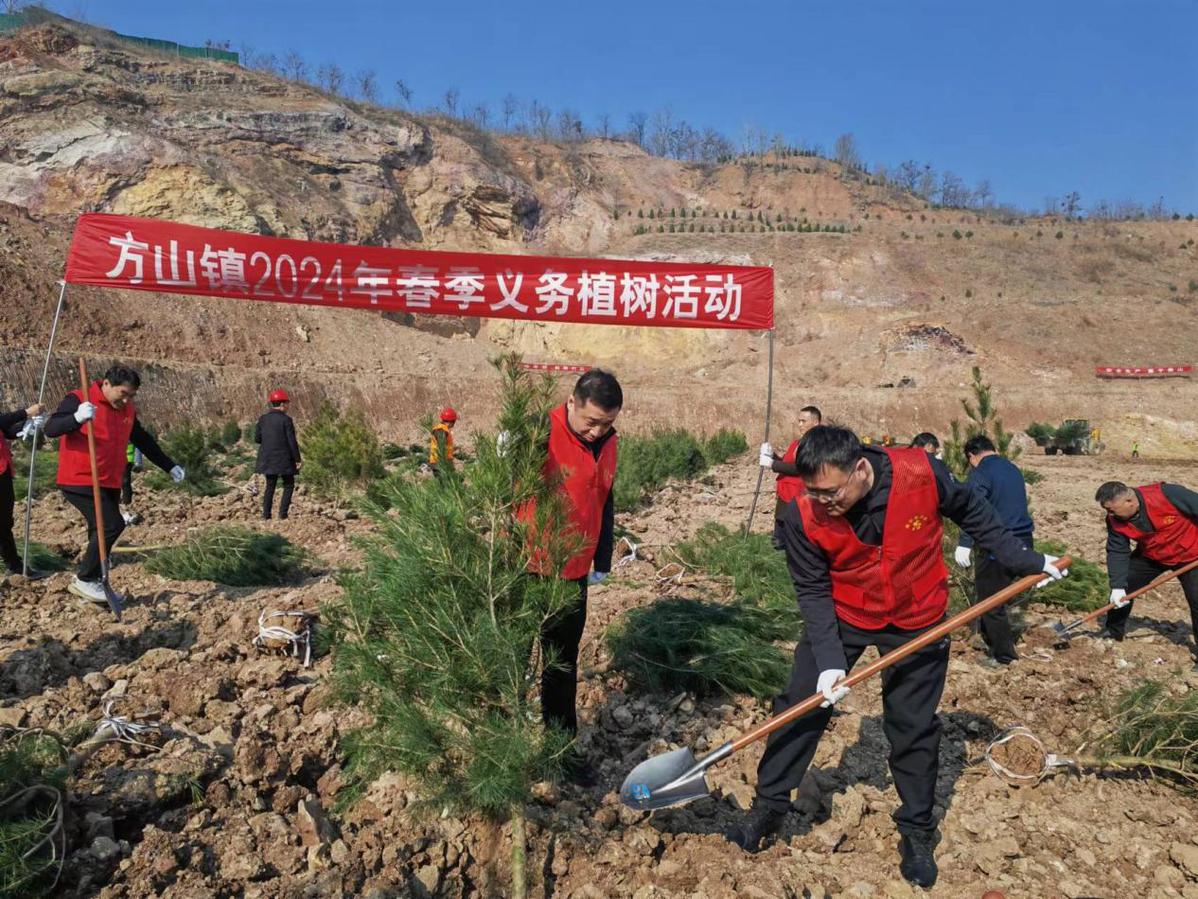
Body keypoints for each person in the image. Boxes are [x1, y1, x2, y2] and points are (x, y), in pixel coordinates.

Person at [725, 426, 1065, 888]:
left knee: (913, 725)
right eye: (813, 492)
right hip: (846, 613)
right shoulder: (802, 514)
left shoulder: (920, 472)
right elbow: (812, 589)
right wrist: (829, 660)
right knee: (800, 706)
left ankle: (917, 829)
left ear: (860, 469)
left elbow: (972, 511)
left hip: (918, 613)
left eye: (830, 492)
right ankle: (769, 806)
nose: (823, 502)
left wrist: (1021, 558)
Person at [522, 369, 621, 780]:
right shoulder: (537, 431)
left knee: (561, 668)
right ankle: (502, 753)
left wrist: (602, 560)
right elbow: (501, 487)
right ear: (572, 402)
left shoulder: (610, 442)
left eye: (607, 423)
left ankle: (560, 750)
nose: (597, 431)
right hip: (525, 568)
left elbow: (604, 497)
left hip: (573, 573)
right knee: (509, 661)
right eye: (591, 421)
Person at [43, 365, 183, 605]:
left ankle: (94, 582)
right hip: (80, 478)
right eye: (123, 393)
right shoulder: (79, 399)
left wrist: (169, 465)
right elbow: (51, 428)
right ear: (106, 384)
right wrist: (76, 418)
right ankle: (85, 578)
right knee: (112, 524)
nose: (127, 399)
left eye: (131, 395)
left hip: (109, 480)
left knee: (98, 529)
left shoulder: (127, 409)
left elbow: (142, 439)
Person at [953, 435, 1035, 665]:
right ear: (994, 449)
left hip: (998, 544)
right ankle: (992, 639)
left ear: (971, 456)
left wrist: (964, 543)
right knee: (1004, 597)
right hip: (1024, 540)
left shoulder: (980, 474)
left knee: (990, 602)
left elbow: (972, 508)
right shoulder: (1012, 468)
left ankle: (1004, 656)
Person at [1096, 480, 1198, 657]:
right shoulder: (1114, 520)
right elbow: (1117, 551)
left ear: (1130, 501)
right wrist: (1118, 586)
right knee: (1125, 584)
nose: (1109, 514)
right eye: (1106, 510)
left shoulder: (1168, 494)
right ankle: (1113, 633)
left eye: (1112, 509)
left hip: (1191, 554)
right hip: (1153, 555)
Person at [0, 399, 47, 579]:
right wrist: (26, 413)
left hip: (3, 470)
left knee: (4, 523)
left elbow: (7, 431)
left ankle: (15, 566)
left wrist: (27, 425)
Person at [759, 405, 821, 538]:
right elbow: (787, 463)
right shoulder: (797, 443)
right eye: (799, 421)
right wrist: (772, 456)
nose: (800, 425)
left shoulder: (815, 445)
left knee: (793, 536)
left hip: (799, 497)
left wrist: (772, 464)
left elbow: (800, 468)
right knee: (779, 536)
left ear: (815, 423)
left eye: (803, 421)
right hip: (785, 495)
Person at [255, 389, 301, 520]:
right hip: (284, 459)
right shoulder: (286, 420)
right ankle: (283, 514)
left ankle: (266, 515)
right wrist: (297, 459)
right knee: (289, 484)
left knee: (270, 486)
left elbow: (257, 439)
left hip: (268, 458)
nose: (288, 406)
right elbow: (292, 441)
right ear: (282, 404)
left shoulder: (263, 419)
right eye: (287, 403)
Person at [428, 407, 458, 477]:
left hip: (441, 462)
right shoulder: (441, 430)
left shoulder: (443, 429)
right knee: (445, 484)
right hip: (440, 463)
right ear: (452, 421)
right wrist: (445, 464)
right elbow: (441, 448)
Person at [120, 442, 143, 526]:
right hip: (117, 460)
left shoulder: (129, 432)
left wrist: (137, 462)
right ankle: (122, 505)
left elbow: (137, 445)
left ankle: (126, 504)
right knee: (122, 483)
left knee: (125, 483)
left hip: (127, 460)